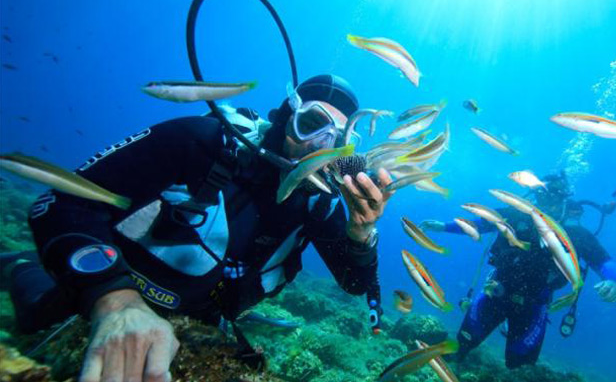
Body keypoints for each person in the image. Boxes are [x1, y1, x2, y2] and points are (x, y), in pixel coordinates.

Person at [0, 75, 394, 382]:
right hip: (111, 292)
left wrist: (362, 234)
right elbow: (62, 202)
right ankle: (19, 266)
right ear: (286, 117)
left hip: (203, 324)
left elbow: (354, 284)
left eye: (338, 141)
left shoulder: (320, 206)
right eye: (312, 125)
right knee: (37, 314)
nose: (319, 148)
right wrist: (114, 301)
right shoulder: (202, 142)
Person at [421, 172, 616, 369]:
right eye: (542, 197)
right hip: (495, 291)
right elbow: (479, 224)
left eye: (554, 199)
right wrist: (444, 227)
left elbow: (605, 263)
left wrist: (614, 281)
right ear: (535, 195)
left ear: (564, 200)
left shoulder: (576, 234)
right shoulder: (514, 214)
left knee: (520, 364)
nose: (548, 204)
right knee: (463, 343)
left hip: (534, 305)